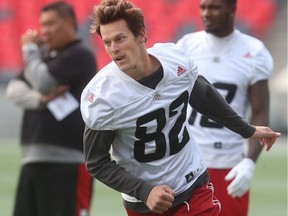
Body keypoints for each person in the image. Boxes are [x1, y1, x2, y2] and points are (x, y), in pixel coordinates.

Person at [80, 0, 280, 215]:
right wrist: (144, 191)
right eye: (107, 42)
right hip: (144, 202)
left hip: (193, 183)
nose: (114, 49)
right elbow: (97, 162)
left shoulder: (174, 61)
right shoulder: (102, 95)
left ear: (141, 35)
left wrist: (246, 129)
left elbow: (204, 96)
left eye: (120, 38)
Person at [176, 0, 274, 215]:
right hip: (188, 162)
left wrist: (249, 162)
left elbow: (260, 111)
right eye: (203, 7)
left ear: (232, 9)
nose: (206, 13)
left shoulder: (254, 52)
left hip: (229, 163)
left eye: (214, 7)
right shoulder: (186, 46)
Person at [5, 1, 97, 216]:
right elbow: (13, 90)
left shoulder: (80, 55)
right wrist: (41, 100)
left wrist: (29, 49)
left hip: (68, 161)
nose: (44, 31)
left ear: (69, 23)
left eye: (50, 24)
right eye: (42, 25)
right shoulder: (42, 56)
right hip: (32, 159)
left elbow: (44, 81)